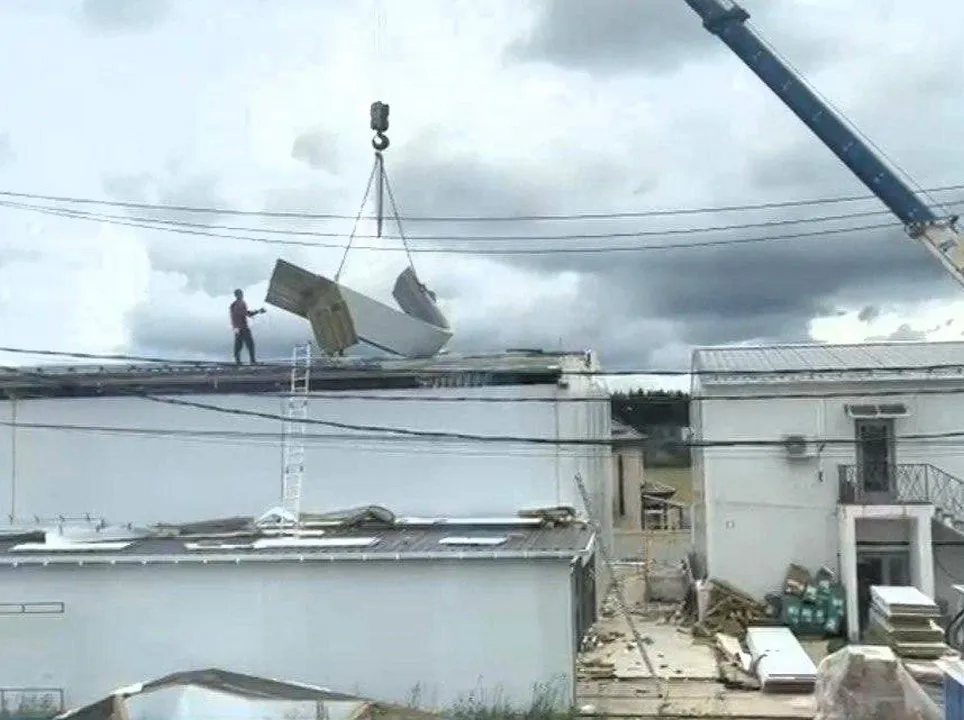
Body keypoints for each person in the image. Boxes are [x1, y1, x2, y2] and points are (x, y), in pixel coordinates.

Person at [229, 289, 266, 365]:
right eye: (240, 294)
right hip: (242, 327)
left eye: (241, 294)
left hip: (237, 327)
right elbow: (246, 313)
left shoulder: (234, 304)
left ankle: (238, 361)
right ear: (237, 295)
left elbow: (240, 314)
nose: (241, 295)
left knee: (239, 345)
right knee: (249, 344)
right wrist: (258, 311)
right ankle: (251, 361)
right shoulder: (240, 303)